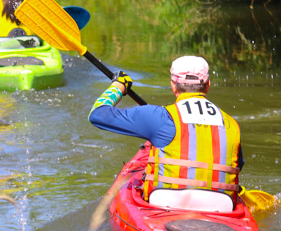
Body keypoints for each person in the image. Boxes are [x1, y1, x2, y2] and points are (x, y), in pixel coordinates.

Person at [88, 56, 244, 208]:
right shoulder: (232, 124)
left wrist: (119, 86)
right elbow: (237, 165)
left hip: (165, 202)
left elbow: (97, 115)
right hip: (222, 206)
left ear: (173, 86)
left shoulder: (160, 117)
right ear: (208, 85)